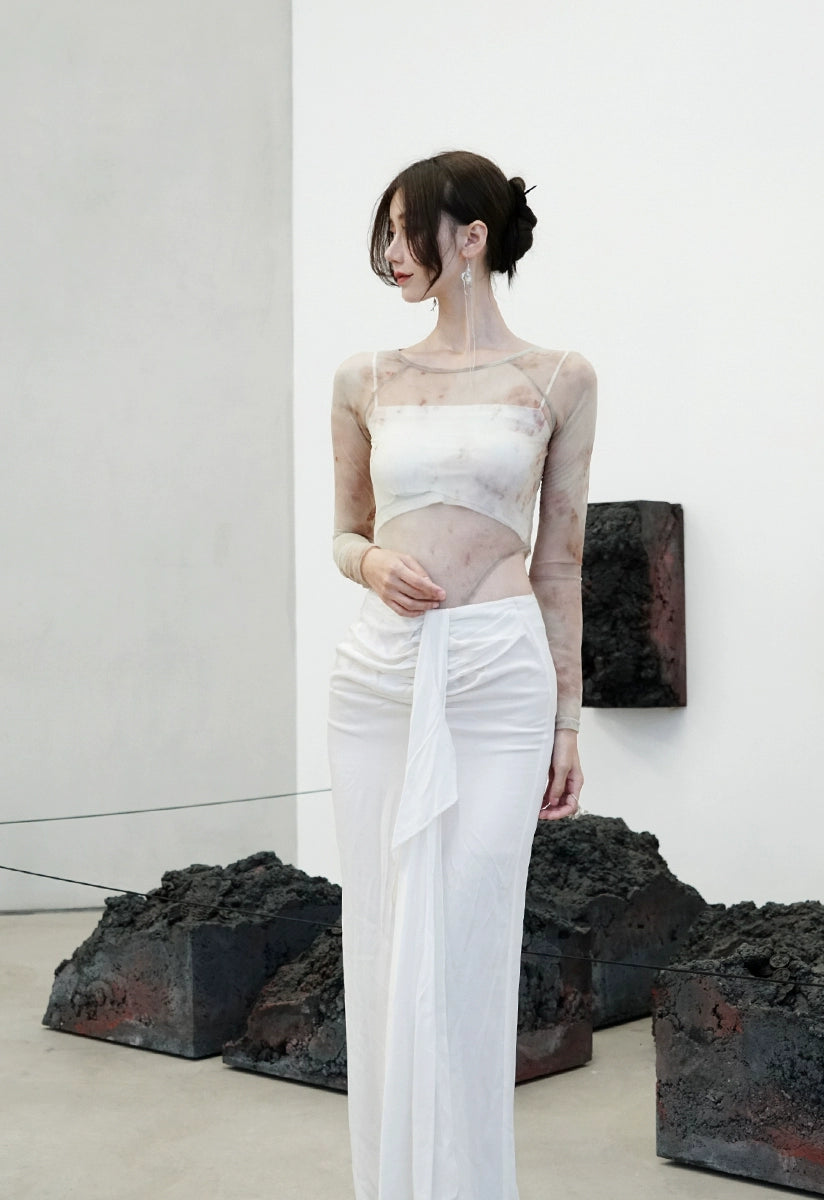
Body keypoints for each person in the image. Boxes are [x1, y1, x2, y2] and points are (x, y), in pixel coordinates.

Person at [328, 150, 597, 1200]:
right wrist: (370, 564)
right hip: (380, 679)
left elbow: (559, 562)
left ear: (470, 238)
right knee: (384, 934)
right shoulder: (365, 378)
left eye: (408, 231)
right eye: (388, 234)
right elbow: (346, 534)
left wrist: (568, 721)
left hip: (498, 676)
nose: (392, 254)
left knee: (470, 936)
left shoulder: (558, 378)